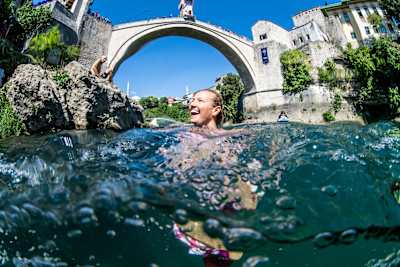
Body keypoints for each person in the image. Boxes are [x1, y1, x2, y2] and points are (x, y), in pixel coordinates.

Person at [170, 89, 259, 267]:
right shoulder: (182, 136)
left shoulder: (233, 137)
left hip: (223, 215)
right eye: (192, 100)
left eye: (200, 100)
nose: (192, 104)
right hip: (196, 215)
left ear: (215, 110)